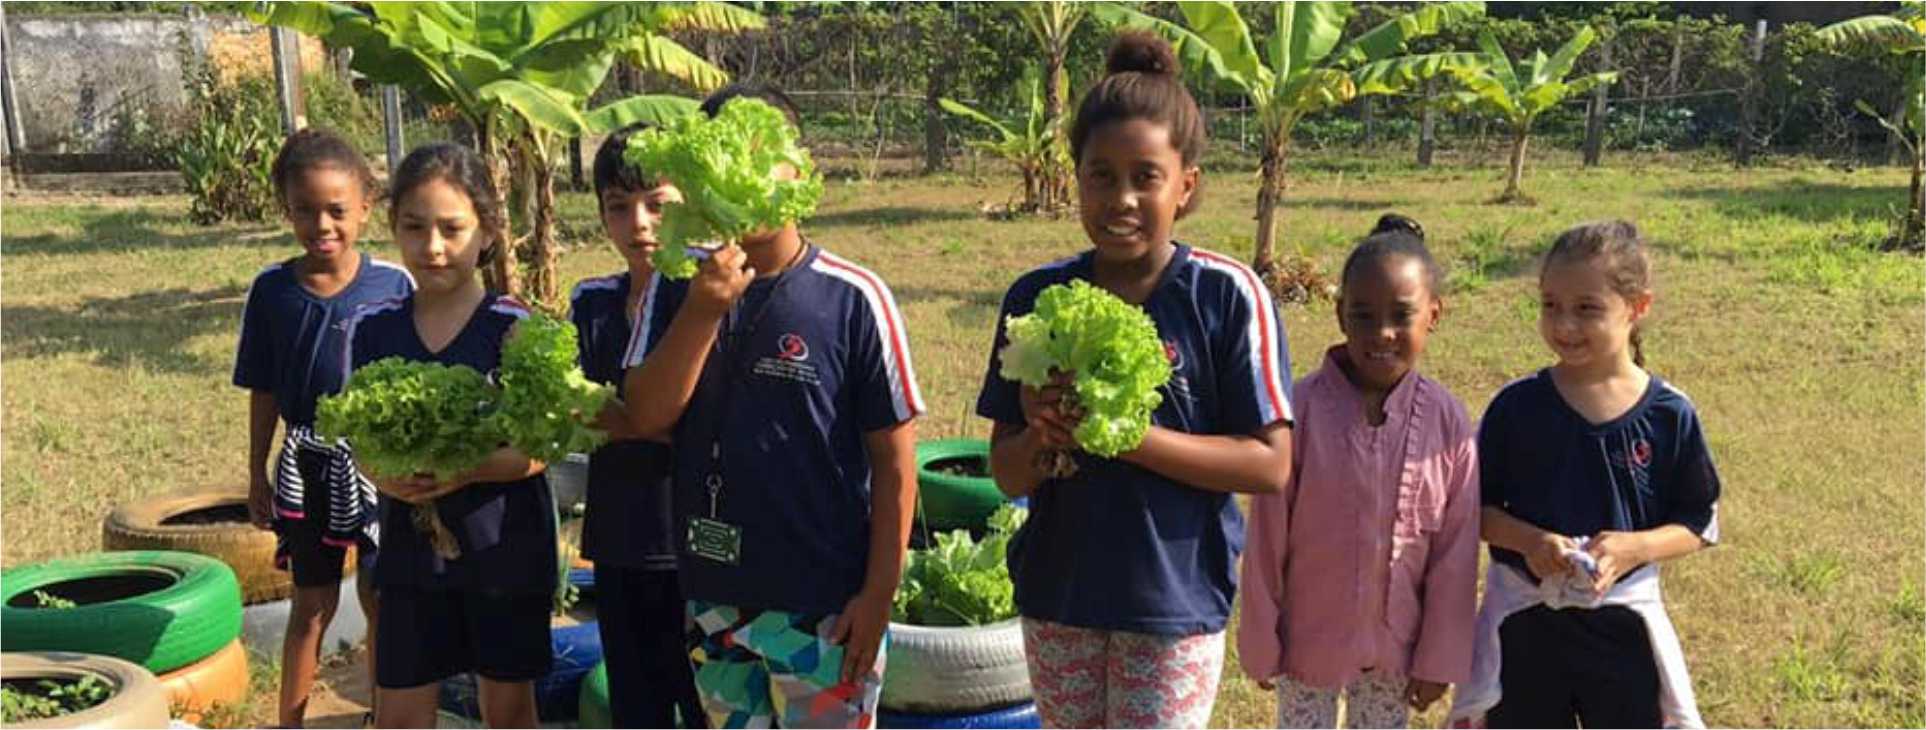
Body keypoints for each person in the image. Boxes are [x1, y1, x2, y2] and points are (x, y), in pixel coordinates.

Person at [974, 32, 1294, 729]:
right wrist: (1042, 436)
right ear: (1075, 176)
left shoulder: (1226, 295)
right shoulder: (1036, 297)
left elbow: (1269, 464)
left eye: (1145, 176)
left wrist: (1130, 438)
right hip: (1059, 595)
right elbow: (1005, 473)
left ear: (1186, 185)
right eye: (1101, 174)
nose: (1121, 198)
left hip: (1172, 604)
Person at [617, 85, 921, 729]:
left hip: (826, 608)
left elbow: (895, 463)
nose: (740, 176)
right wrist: (704, 309)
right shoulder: (675, 288)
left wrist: (878, 595)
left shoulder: (853, 298)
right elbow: (646, 415)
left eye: (761, 155)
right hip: (714, 599)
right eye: (719, 159)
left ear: (802, 172)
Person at [1449, 220, 1720, 729]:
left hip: (1623, 634)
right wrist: (1531, 542)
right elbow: (1473, 509)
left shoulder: (1669, 414)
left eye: (1586, 308)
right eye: (1550, 305)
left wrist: (1633, 548)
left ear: (1638, 308)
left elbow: (1698, 523)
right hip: (1526, 629)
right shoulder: (1515, 407)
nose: (1564, 325)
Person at [343, 143, 556, 729]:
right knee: (402, 709)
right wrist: (385, 473)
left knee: (509, 710)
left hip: (502, 550)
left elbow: (540, 450)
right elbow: (359, 436)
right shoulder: (374, 329)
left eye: (452, 228)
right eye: (415, 227)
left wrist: (468, 469)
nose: (433, 246)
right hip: (412, 553)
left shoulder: (515, 328)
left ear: (486, 233)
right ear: (393, 229)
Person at [1238, 215, 1479, 728]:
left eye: (1402, 315)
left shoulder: (1448, 422)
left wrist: (1439, 658)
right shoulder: (1298, 412)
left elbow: (1454, 556)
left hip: (1396, 650)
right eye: (1364, 315)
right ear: (1339, 313)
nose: (1382, 333)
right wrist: (1262, 638)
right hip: (1309, 643)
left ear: (1434, 314)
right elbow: (1265, 538)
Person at [234, 127, 411, 727]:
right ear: (286, 211)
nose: (322, 225)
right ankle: (292, 719)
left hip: (380, 464)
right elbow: (262, 388)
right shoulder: (271, 292)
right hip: (306, 463)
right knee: (311, 604)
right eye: (304, 211)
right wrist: (256, 470)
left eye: (337, 210)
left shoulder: (395, 286)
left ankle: (385, 716)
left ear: (366, 206)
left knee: (382, 595)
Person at [568, 123, 705, 728]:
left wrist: (624, 419)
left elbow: (696, 424)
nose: (640, 224)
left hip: (700, 546)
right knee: (636, 708)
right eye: (619, 209)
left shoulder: (708, 301)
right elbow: (573, 414)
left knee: (707, 704)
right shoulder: (592, 303)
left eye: (657, 205)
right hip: (620, 539)